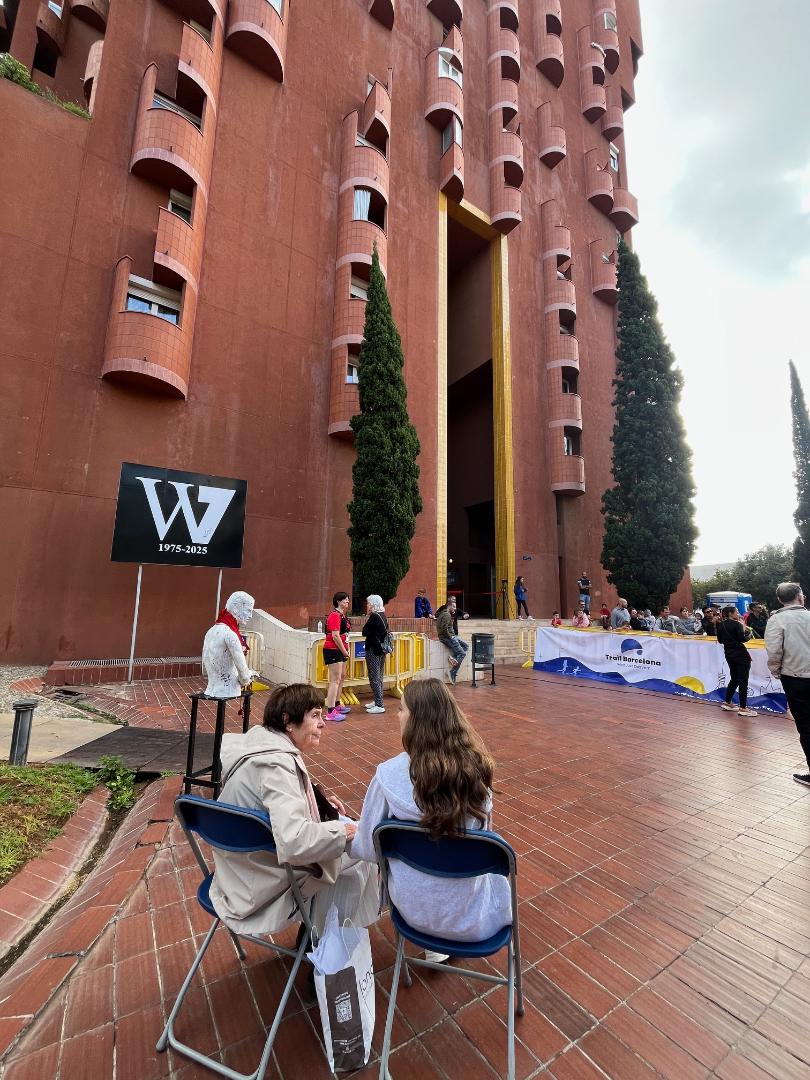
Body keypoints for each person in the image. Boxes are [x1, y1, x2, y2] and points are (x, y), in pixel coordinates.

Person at [352, 678, 511, 957]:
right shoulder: (477, 775)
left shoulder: (387, 776)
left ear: (416, 720)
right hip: (474, 919)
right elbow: (482, 841)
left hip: (412, 914)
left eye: (401, 709)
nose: (397, 715)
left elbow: (367, 849)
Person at [209, 683, 379, 937]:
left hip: (235, 871)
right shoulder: (276, 765)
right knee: (360, 854)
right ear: (288, 721)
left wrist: (314, 801)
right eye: (315, 715)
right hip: (258, 884)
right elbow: (294, 840)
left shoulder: (257, 747)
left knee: (344, 850)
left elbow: (270, 801)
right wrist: (343, 830)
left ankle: (321, 932)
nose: (322, 723)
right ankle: (323, 940)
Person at [765, 582, 810, 787]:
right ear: (800, 597)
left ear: (779, 599)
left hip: (795, 678)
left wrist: (776, 672)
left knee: (806, 725)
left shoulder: (777, 620)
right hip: (796, 676)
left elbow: (774, 651)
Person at [202, 591, 257, 698]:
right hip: (228, 690)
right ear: (236, 608)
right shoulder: (230, 634)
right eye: (248, 610)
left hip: (211, 688)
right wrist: (248, 676)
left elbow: (204, 668)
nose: (250, 616)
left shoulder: (210, 631)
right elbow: (244, 677)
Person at [716, 605, 757, 717]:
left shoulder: (721, 625)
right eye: (736, 612)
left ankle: (727, 702)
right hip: (741, 655)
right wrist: (748, 633)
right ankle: (743, 708)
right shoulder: (737, 624)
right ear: (730, 613)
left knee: (734, 678)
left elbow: (720, 640)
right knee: (743, 681)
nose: (738, 614)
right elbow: (743, 639)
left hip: (729, 654)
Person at [323, 591, 351, 722]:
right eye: (345, 599)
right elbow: (335, 635)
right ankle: (330, 711)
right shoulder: (334, 615)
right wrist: (344, 651)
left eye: (348, 599)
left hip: (340, 650)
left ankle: (337, 704)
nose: (347, 601)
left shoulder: (342, 615)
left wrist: (345, 650)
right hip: (333, 650)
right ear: (338, 601)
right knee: (335, 680)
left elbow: (343, 634)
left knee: (341, 677)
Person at [362, 594, 389, 715]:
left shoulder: (374, 616)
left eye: (368, 603)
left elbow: (364, 631)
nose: (367, 605)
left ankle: (379, 704)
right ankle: (378, 701)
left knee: (374, 677)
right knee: (379, 677)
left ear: (373, 604)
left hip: (373, 650)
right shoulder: (382, 615)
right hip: (381, 650)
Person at [436, 595, 469, 683]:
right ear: (449, 606)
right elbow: (444, 629)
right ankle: (452, 672)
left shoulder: (444, 613)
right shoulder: (447, 615)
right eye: (453, 607)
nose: (455, 609)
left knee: (466, 646)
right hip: (448, 637)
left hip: (451, 636)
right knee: (462, 653)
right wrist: (451, 637)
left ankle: (453, 658)